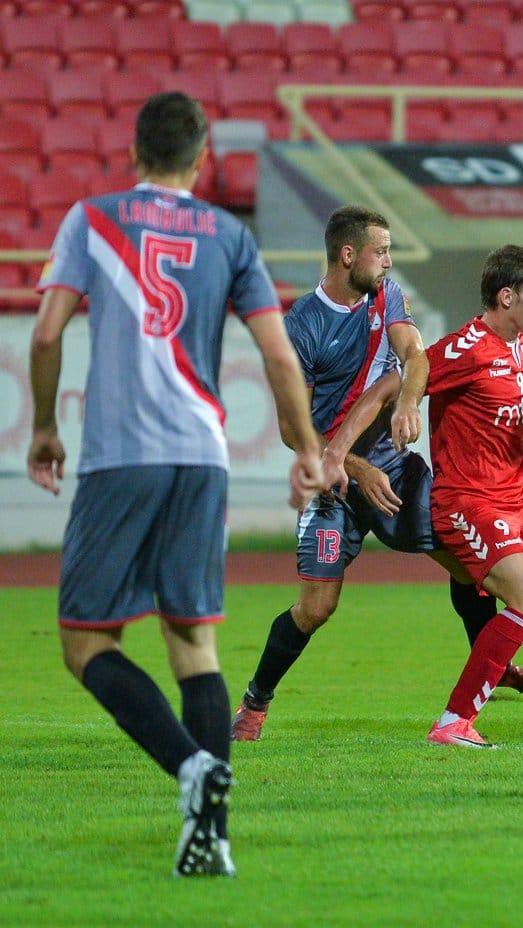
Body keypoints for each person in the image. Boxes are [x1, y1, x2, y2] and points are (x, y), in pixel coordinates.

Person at [25, 91, 324, 878]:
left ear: (134, 152)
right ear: (202, 160)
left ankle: (190, 765)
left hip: (121, 457)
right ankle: (211, 838)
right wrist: (306, 448)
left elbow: (48, 332)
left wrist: (46, 427)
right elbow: (278, 354)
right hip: (202, 456)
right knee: (194, 643)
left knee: (86, 643)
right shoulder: (230, 234)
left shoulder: (92, 219)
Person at [230, 207, 523, 743]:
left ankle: (493, 668)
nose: (388, 262)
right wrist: (354, 467)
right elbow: (293, 430)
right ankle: (254, 703)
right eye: (381, 251)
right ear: (348, 255)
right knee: (316, 607)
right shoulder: (302, 326)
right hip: (334, 484)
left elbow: (414, 357)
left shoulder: (387, 295)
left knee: (467, 560)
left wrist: (407, 404)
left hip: (394, 470)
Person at [323, 244, 523, 748]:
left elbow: (516, 407)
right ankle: (453, 723)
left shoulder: (521, 344)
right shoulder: (467, 348)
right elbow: (403, 376)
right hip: (467, 503)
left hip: (515, 501)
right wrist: (403, 408)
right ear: (507, 296)